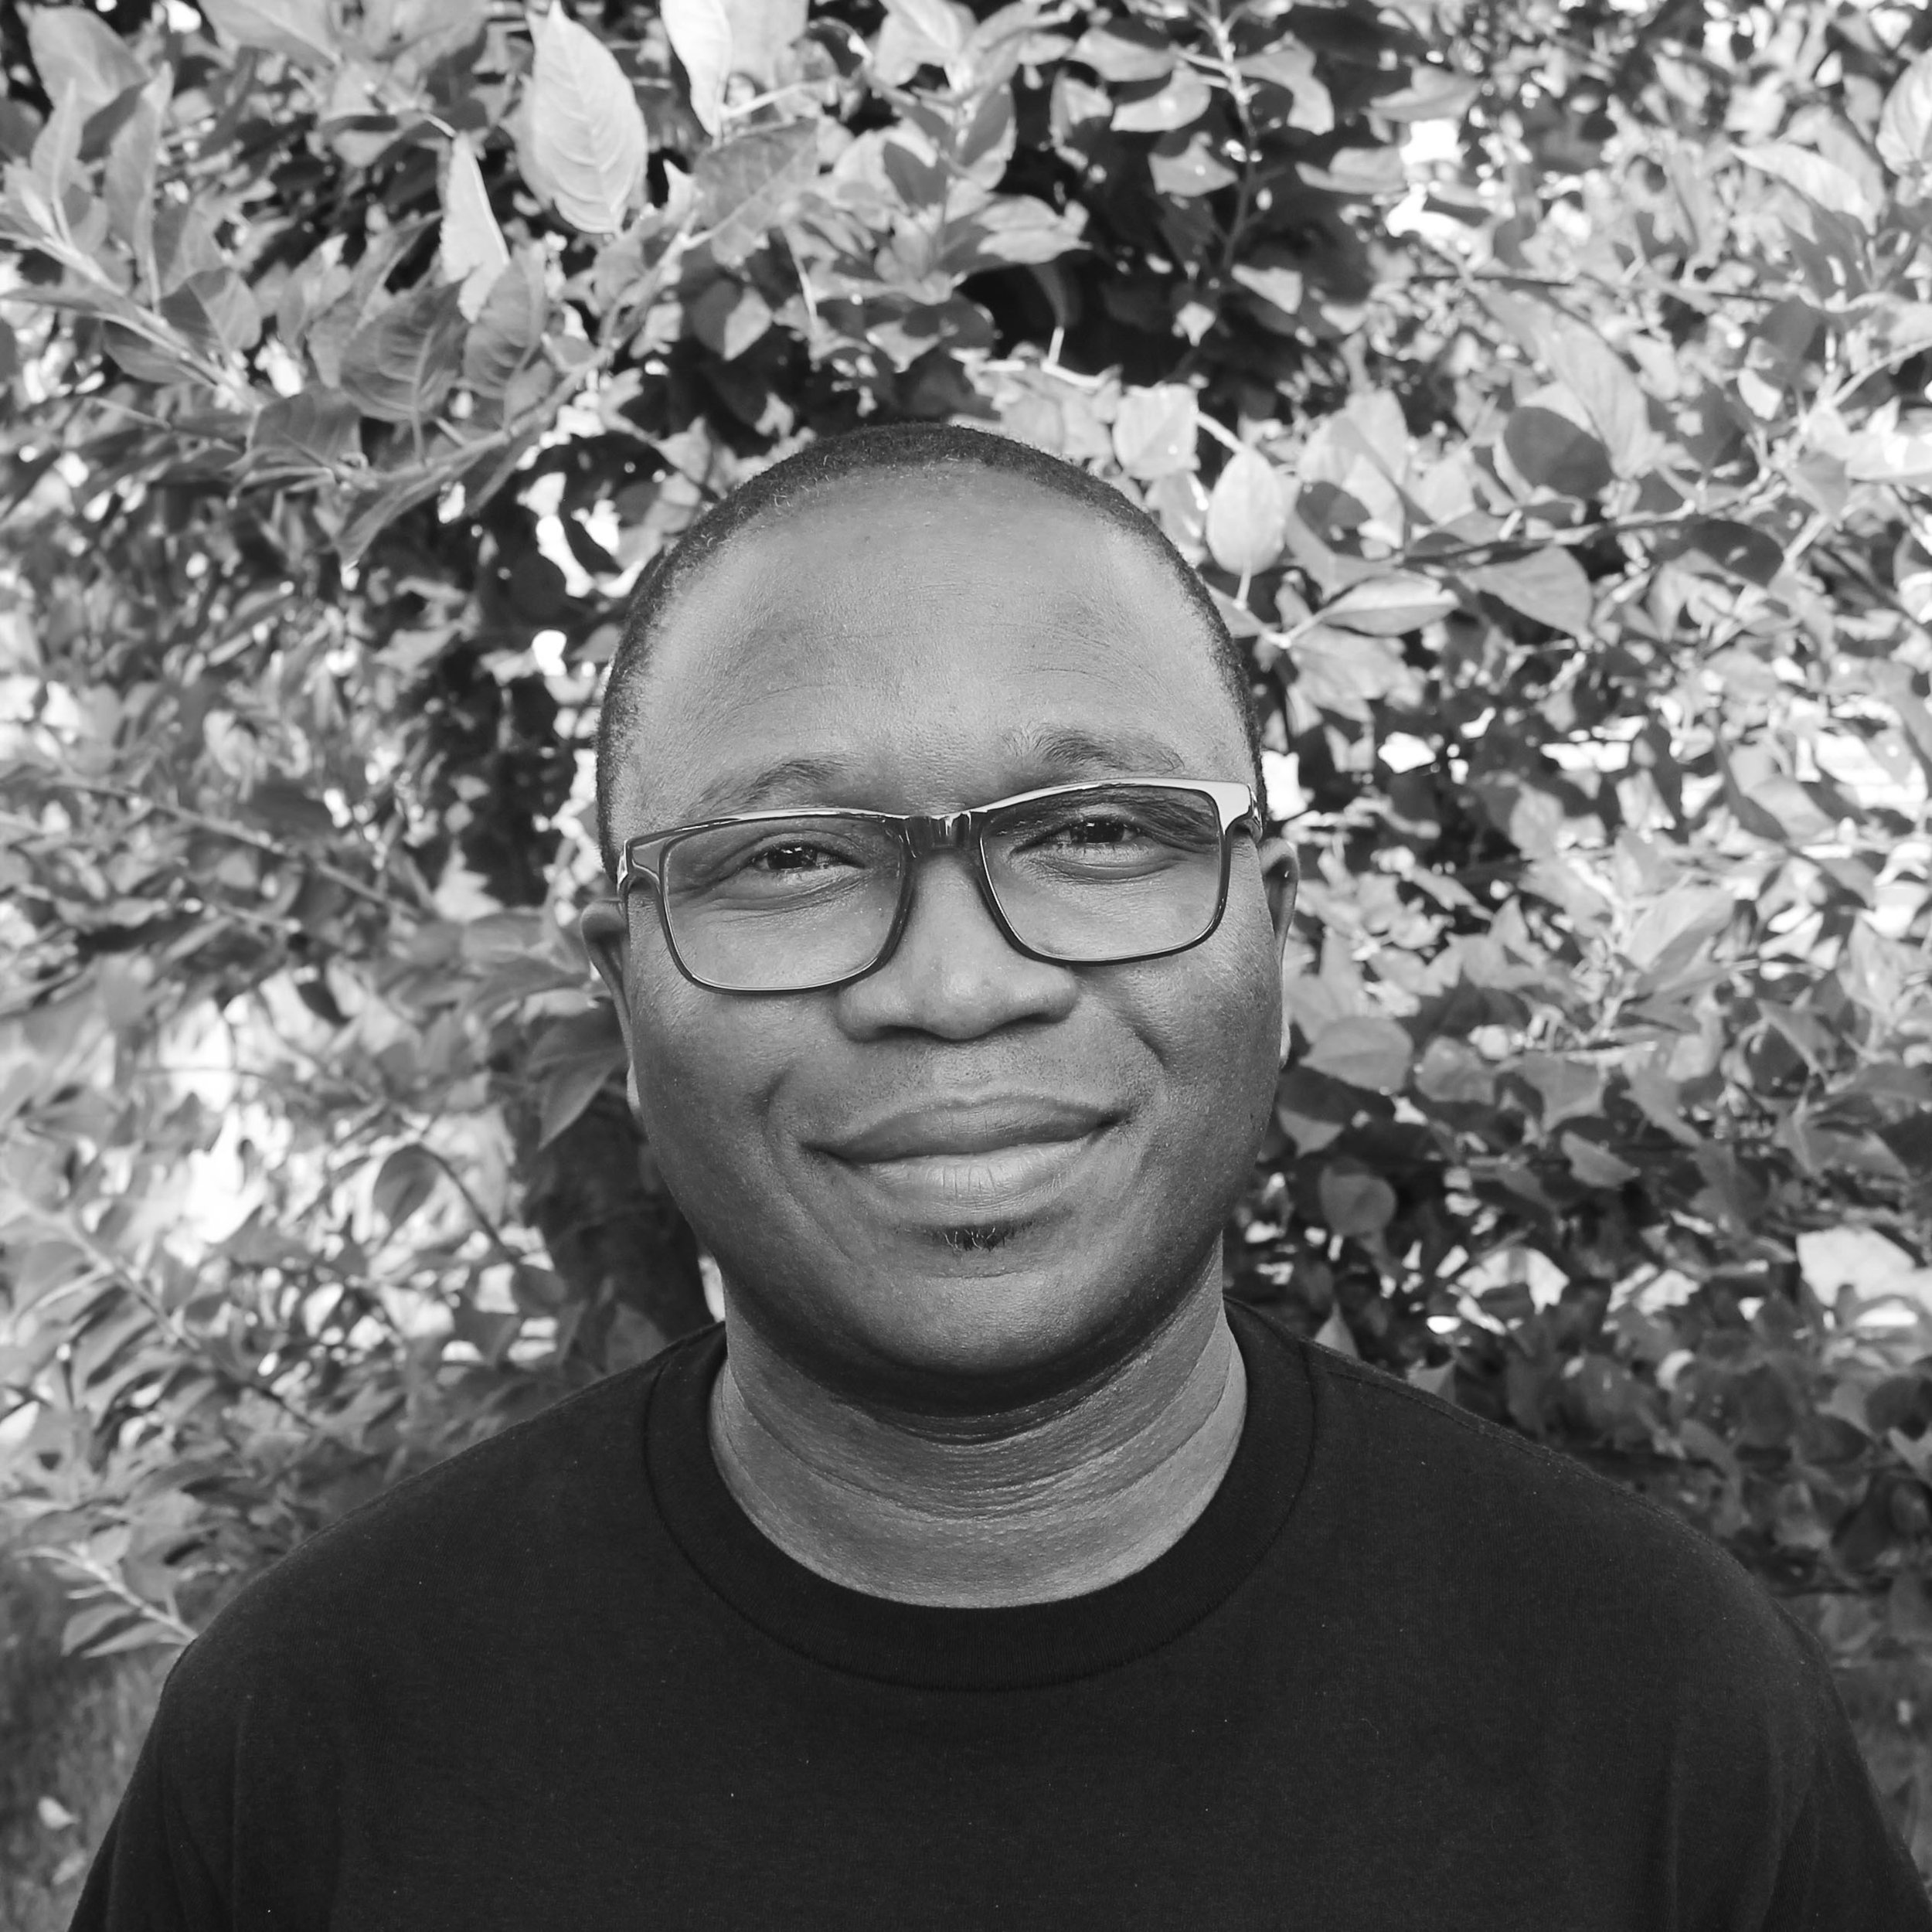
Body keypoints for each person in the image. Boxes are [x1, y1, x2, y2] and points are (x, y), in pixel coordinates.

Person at [73, 423, 1929, 1930]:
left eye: (1099, 830)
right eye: (791, 858)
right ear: (615, 989)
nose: (954, 986)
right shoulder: (316, 1740)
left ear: (1275, 926)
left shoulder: (1652, 1711)